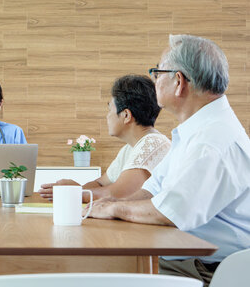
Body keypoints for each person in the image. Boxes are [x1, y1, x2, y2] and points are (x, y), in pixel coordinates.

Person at [89, 35, 250, 287]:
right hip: (183, 258)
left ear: (178, 82)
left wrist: (114, 208)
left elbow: (170, 212)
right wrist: (108, 205)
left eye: (157, 73)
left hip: (206, 269)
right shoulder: (195, 131)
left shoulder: (213, 140)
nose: (153, 81)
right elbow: (151, 190)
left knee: (103, 272)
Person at [39, 75, 171, 202]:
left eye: (110, 110)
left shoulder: (153, 143)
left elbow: (118, 193)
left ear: (126, 115)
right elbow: (100, 184)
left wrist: (74, 193)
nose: (107, 117)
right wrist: (76, 189)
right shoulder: (130, 148)